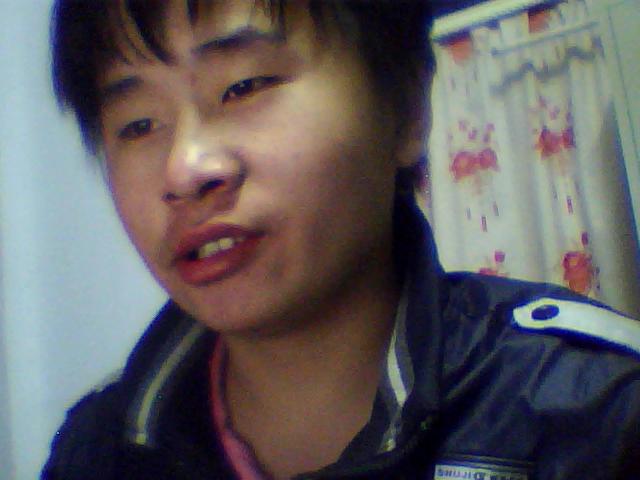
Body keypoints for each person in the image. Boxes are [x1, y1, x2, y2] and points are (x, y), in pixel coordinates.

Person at [43, 1, 640, 479]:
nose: (184, 170)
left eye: (244, 86)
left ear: (405, 108)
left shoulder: (591, 413)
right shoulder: (98, 449)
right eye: (137, 125)